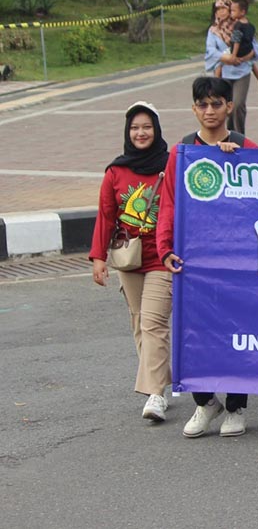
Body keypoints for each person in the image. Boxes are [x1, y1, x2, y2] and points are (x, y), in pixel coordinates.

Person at [157, 77, 258, 438]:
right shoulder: (182, 151)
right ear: (194, 109)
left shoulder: (247, 147)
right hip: (193, 260)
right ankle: (205, 402)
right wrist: (165, 247)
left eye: (217, 104)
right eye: (203, 105)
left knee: (237, 332)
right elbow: (169, 202)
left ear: (230, 107)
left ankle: (236, 407)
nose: (210, 111)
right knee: (194, 333)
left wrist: (239, 162)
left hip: (237, 260)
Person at [89, 101, 172, 423]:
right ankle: (159, 379)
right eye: (135, 128)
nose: (141, 133)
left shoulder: (171, 166)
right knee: (139, 323)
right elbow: (106, 215)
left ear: (157, 130)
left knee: (153, 322)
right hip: (129, 257)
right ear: (128, 132)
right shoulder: (115, 172)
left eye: (147, 127)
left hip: (163, 256)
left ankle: (156, 395)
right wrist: (98, 258)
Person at [205, 0, 258, 135]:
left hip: (242, 72)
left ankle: (239, 136)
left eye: (224, 8)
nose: (220, 12)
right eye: (218, 9)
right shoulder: (213, 31)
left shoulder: (242, 26)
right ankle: (227, 135)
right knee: (224, 106)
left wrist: (244, 57)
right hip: (224, 73)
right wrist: (226, 58)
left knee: (237, 105)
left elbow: (255, 48)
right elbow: (210, 51)